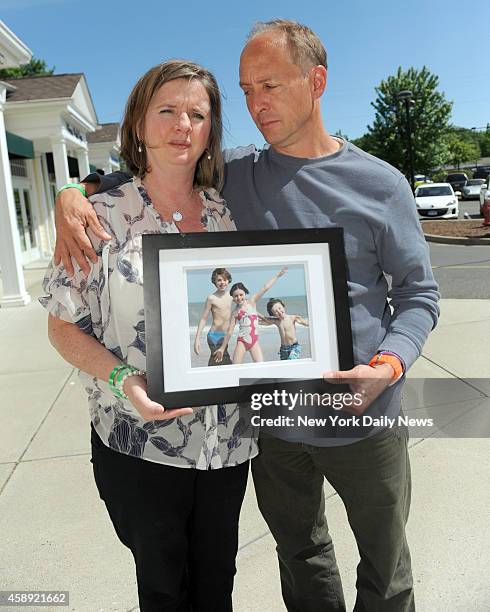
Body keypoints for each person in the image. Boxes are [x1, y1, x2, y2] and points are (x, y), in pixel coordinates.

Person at [52, 19, 439, 612]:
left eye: (271, 85)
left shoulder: (379, 183)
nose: (257, 105)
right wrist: (74, 190)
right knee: (302, 557)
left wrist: (388, 365)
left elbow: (418, 295)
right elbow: (157, 165)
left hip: (363, 413)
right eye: (247, 90)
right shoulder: (238, 173)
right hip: (274, 422)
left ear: (317, 80)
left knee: (386, 567)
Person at [40, 60, 257, 612]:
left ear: (211, 130)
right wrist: (122, 377)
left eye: (197, 114)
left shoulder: (227, 214)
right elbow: (62, 325)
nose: (182, 125)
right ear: (138, 123)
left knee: (217, 581)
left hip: (226, 440)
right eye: (167, 110)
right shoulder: (97, 216)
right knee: (163, 587)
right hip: (140, 440)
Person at [215, 267, 287, 364]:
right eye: (235, 296)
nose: (239, 298)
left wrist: (278, 276)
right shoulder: (235, 312)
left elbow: (265, 287)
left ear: (245, 293)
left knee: (260, 366)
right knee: (235, 367)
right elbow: (229, 331)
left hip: (254, 341)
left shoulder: (252, 302)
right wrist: (222, 348)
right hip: (242, 341)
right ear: (232, 297)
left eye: (241, 294)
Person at [194, 267, 234, 365]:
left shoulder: (232, 296)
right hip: (214, 336)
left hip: (226, 336)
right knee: (222, 360)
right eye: (219, 280)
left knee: (219, 361)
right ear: (214, 282)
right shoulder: (211, 298)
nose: (222, 282)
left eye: (224, 279)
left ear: (228, 280)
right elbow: (204, 318)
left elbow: (244, 306)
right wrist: (197, 339)